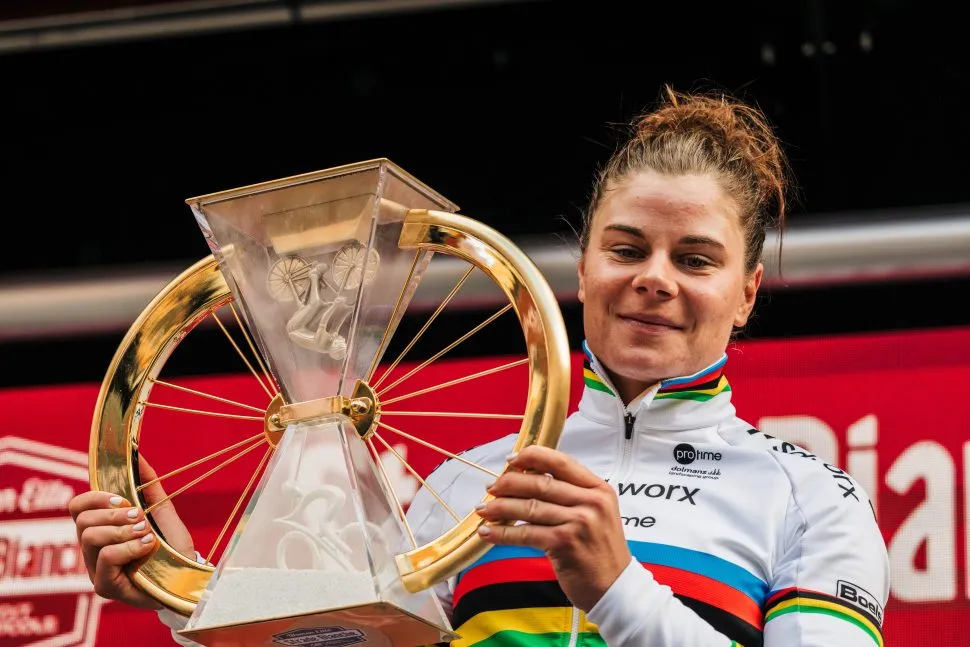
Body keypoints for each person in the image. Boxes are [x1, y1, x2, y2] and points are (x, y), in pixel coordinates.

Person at [69, 85, 890, 647]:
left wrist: (617, 589)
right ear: (583, 268)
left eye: (696, 259)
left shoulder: (812, 498)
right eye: (626, 248)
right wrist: (186, 599)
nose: (654, 277)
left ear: (747, 293)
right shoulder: (463, 487)